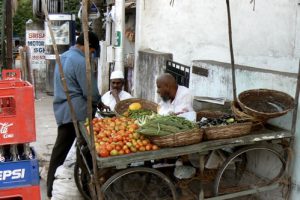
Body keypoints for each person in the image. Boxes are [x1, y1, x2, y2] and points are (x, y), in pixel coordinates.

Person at [47, 31, 109, 198]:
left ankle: (58, 186)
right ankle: (86, 185)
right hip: (76, 113)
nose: (92, 54)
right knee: (82, 149)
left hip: (63, 110)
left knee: (67, 150)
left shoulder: (64, 56)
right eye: (93, 51)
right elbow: (91, 92)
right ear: (88, 47)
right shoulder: (81, 61)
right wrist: (99, 101)